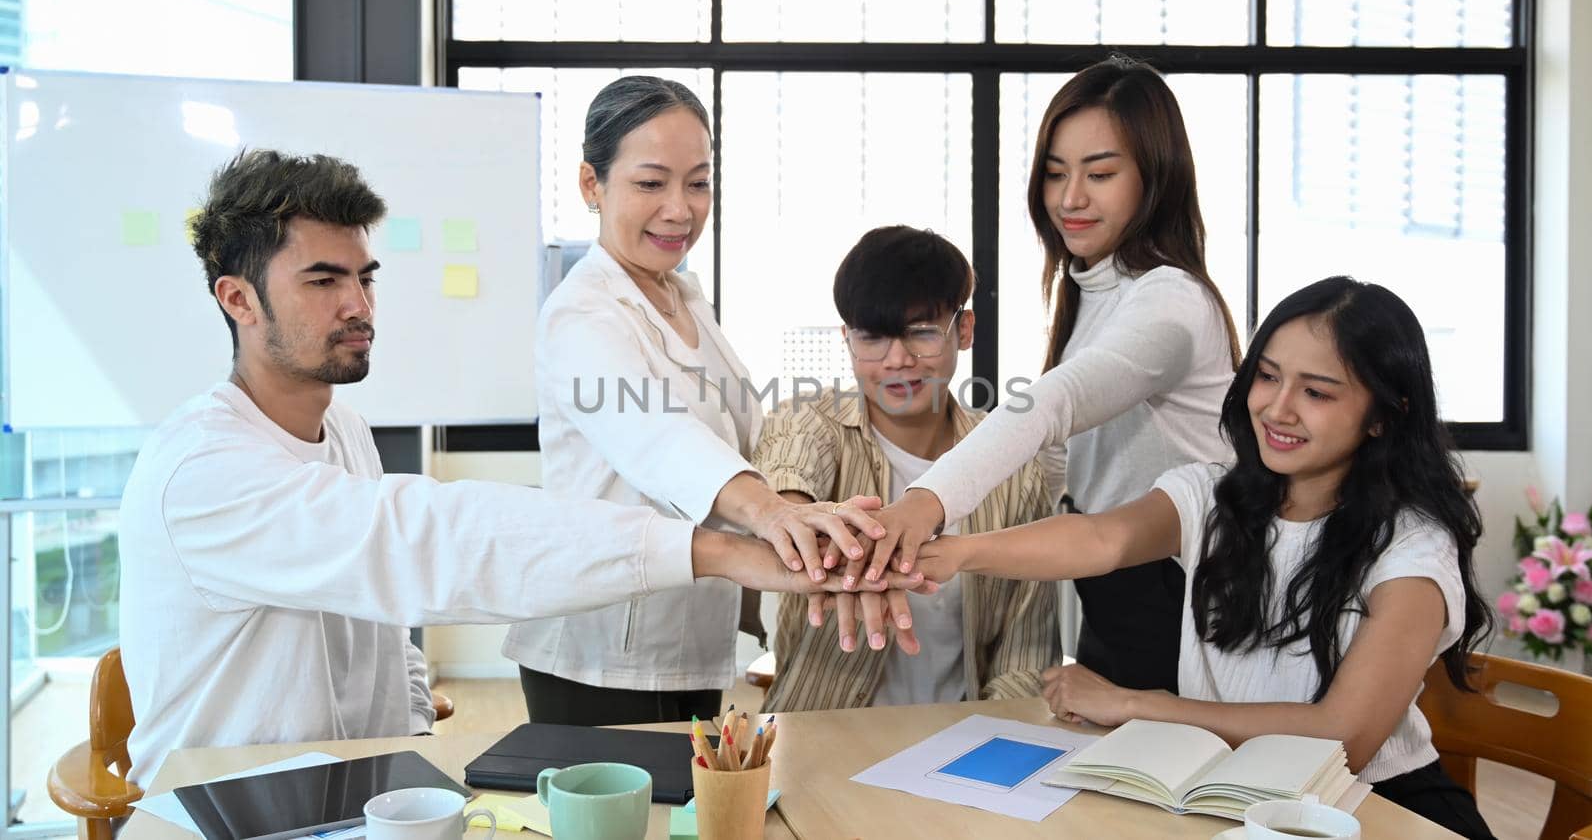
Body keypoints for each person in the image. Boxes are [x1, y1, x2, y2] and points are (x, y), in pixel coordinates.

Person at [118, 149, 916, 788]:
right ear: (239, 299)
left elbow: (389, 618)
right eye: (323, 280)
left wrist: (411, 736)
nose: (358, 305)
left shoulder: (345, 430)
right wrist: (729, 548)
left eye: (363, 277)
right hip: (219, 804)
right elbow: (428, 541)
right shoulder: (203, 470)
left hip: (345, 796)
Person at [912, 277, 1496, 840]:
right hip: (1226, 796)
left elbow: (1341, 737)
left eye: (1316, 392)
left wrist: (1133, 705)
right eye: (1267, 377)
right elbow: (1098, 540)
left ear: (1382, 417)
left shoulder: (1414, 545)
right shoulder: (1211, 495)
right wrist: (955, 552)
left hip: (1379, 809)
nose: (1278, 409)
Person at [502, 76, 887, 727]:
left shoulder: (686, 297)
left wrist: (811, 510)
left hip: (693, 635)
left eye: (698, 182)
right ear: (592, 185)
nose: (680, 209)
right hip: (599, 647)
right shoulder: (582, 314)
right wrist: (767, 511)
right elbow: (658, 439)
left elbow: (746, 431)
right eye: (651, 183)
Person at [859, 56, 1241, 694]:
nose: (1070, 198)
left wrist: (924, 503)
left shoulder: (1169, 301)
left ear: (1157, 178)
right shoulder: (1089, 290)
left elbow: (1050, 406)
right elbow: (1070, 458)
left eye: (1101, 173)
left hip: (1181, 591)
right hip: (1111, 583)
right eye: (1056, 173)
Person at [753, 226, 1059, 711]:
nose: (897, 360)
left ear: (964, 330)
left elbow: (1025, 652)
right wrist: (810, 532)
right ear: (847, 340)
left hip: (962, 747)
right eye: (872, 337)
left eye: (921, 333)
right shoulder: (807, 419)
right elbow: (788, 476)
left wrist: (992, 744)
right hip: (820, 739)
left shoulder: (1014, 465)